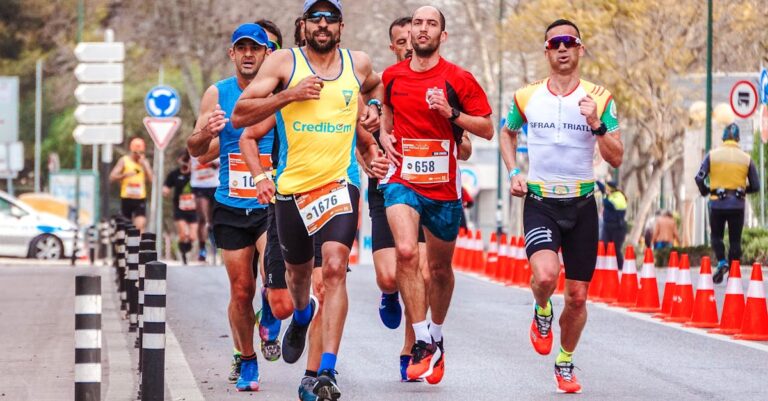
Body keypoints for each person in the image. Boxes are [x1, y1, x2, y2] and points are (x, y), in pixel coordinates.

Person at [231, 1, 387, 399]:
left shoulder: (359, 62)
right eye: (315, 18)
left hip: (339, 184)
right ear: (303, 25)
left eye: (329, 18)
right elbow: (240, 115)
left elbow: (375, 86)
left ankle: (326, 372)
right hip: (292, 190)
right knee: (297, 281)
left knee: (334, 268)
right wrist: (289, 95)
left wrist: (373, 108)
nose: (322, 24)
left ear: (340, 26)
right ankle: (302, 316)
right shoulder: (284, 62)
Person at [499, 19, 623, 393]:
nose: (563, 48)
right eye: (555, 43)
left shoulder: (600, 98)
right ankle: (541, 310)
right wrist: (513, 172)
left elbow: (616, 157)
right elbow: (507, 131)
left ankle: (565, 361)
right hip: (540, 202)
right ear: (547, 51)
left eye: (570, 42)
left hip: (583, 204)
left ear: (581, 49)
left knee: (579, 295)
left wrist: (597, 124)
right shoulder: (526, 96)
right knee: (546, 277)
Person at [377, 5, 494, 385]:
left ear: (442, 36)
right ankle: (421, 338)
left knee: (440, 271)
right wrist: (383, 135)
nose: (422, 29)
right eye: (417, 23)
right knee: (407, 252)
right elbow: (387, 118)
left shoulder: (458, 78)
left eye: (431, 24)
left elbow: (487, 129)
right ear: (409, 33)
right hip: (403, 179)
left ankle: (437, 335)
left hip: (443, 189)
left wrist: (452, 113)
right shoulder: (392, 76)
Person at [186, 22, 275, 392]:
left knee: (274, 276)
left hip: (271, 201)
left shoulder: (280, 92)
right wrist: (208, 131)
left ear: (267, 53)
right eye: (242, 48)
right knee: (241, 290)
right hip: (230, 204)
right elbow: (194, 150)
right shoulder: (217, 93)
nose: (249, 54)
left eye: (256, 48)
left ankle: (271, 312)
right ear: (232, 53)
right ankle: (248, 359)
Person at [695, 122, 760, 284]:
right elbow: (756, 185)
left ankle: (722, 261)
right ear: (738, 138)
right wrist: (742, 191)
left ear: (723, 137)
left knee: (716, 236)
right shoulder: (746, 159)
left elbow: (699, 177)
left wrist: (706, 190)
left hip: (717, 204)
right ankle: (733, 271)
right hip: (737, 204)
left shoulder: (712, 155)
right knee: (735, 240)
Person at [109, 137, 153, 232]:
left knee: (140, 225)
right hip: (126, 198)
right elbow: (112, 177)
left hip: (140, 199)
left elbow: (152, 180)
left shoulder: (144, 163)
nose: (138, 155)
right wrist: (124, 175)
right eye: (136, 153)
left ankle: (139, 246)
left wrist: (145, 165)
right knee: (126, 227)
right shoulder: (124, 161)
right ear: (132, 151)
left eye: (141, 152)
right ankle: (126, 245)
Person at [162, 150, 198, 265]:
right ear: (179, 160)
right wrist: (165, 191)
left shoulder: (195, 174)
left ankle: (187, 250)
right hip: (180, 209)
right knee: (184, 234)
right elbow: (166, 189)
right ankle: (183, 254)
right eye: (183, 159)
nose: (185, 162)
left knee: (192, 236)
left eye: (187, 160)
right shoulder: (174, 174)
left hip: (194, 210)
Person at [189, 148, 219, 262]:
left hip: (215, 185)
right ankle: (202, 249)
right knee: (202, 218)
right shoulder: (194, 145)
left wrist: (213, 163)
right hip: (199, 186)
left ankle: (215, 241)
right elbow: (182, 160)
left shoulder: (218, 143)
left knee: (213, 219)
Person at [597, 180, 627, 269]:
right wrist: (597, 181)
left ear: (611, 189)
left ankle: (620, 268)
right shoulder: (610, 195)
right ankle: (606, 267)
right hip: (607, 226)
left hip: (618, 227)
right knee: (604, 245)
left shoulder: (619, 196)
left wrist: (604, 194)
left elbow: (608, 204)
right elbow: (604, 192)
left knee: (615, 248)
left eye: (607, 188)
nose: (605, 190)